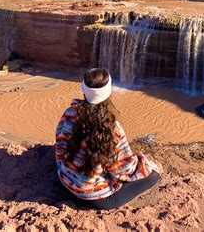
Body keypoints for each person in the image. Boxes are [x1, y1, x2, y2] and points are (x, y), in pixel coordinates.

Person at [55, 68, 161, 210]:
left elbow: (60, 145)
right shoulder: (112, 130)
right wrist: (145, 162)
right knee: (153, 176)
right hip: (93, 198)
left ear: (83, 89)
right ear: (109, 92)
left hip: (65, 181)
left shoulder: (70, 113)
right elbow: (124, 169)